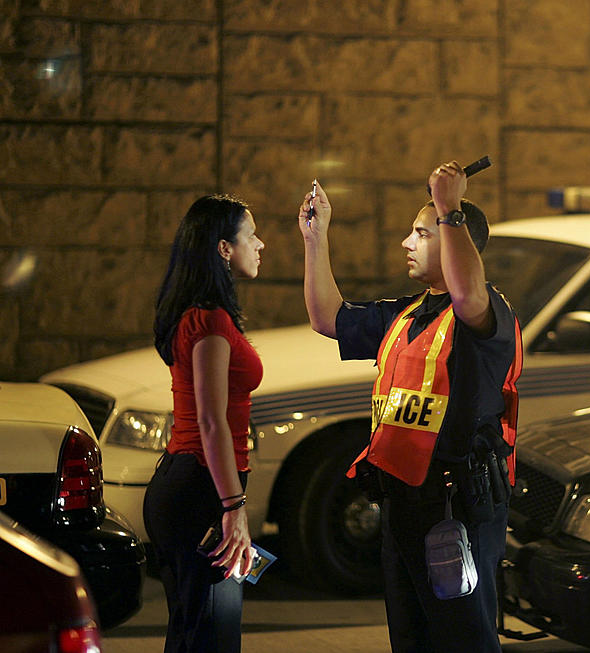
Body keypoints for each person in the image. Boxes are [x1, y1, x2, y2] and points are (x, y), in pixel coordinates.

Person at [299, 161, 522, 653]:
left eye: (421, 233)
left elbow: (467, 293)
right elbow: (326, 317)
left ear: (452, 238)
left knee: (464, 640)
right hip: (405, 505)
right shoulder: (406, 314)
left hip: (456, 507)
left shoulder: (485, 313)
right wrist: (317, 238)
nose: (407, 242)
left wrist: (450, 207)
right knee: (413, 637)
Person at [144, 194, 265, 653]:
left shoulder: (198, 313)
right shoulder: (210, 321)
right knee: (211, 633)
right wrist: (233, 508)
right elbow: (211, 423)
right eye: (250, 234)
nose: (260, 244)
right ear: (223, 248)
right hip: (202, 490)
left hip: (188, 482)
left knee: (193, 630)